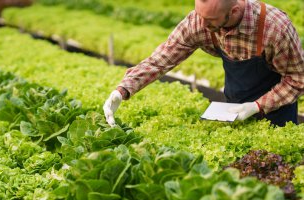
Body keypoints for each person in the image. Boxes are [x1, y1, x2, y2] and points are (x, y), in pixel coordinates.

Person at [103, 0, 304, 127]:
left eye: (209, 20)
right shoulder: (200, 21)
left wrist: (258, 106)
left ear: (233, 11)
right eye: (199, 15)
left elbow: (298, 79)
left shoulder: (274, 28)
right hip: (233, 109)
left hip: (277, 113)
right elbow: (162, 58)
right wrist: (123, 89)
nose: (202, 24)